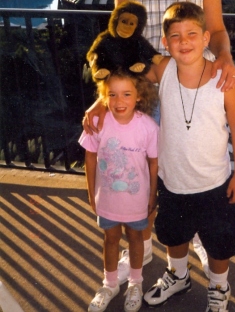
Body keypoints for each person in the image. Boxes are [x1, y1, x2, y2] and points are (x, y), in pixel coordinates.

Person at [83, 0, 235, 284]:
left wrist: (225, 59)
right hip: (144, 90)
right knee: (143, 171)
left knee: (191, 165)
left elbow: (217, 30)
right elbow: (119, 42)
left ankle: (195, 234)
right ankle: (146, 242)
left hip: (193, 86)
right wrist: (104, 98)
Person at [143, 1, 235, 311]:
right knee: (173, 235)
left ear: (205, 38)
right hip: (173, 181)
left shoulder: (224, 79)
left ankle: (219, 287)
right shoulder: (162, 69)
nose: (184, 41)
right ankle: (178, 276)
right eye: (175, 36)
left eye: (192, 33)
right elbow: (125, 73)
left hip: (214, 184)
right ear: (165, 43)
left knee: (219, 244)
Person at [79, 69, 159, 312]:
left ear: (138, 97)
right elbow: (90, 158)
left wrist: (152, 195)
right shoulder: (97, 123)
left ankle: (135, 283)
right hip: (108, 200)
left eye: (126, 94)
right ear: (104, 97)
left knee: (136, 239)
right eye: (112, 94)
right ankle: (110, 284)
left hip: (137, 201)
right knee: (111, 239)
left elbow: (154, 162)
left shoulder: (148, 127)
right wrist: (92, 194)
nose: (119, 101)